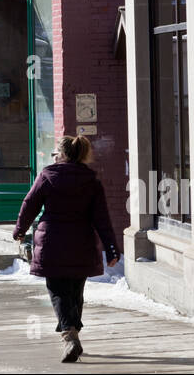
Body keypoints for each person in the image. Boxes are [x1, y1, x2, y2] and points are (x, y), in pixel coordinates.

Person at [12, 136, 121, 363]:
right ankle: (73, 332)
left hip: (52, 243)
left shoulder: (48, 176)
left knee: (58, 291)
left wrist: (20, 230)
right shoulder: (91, 181)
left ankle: (70, 336)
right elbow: (102, 219)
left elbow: (29, 203)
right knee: (74, 291)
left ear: (61, 154)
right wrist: (111, 248)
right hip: (81, 244)